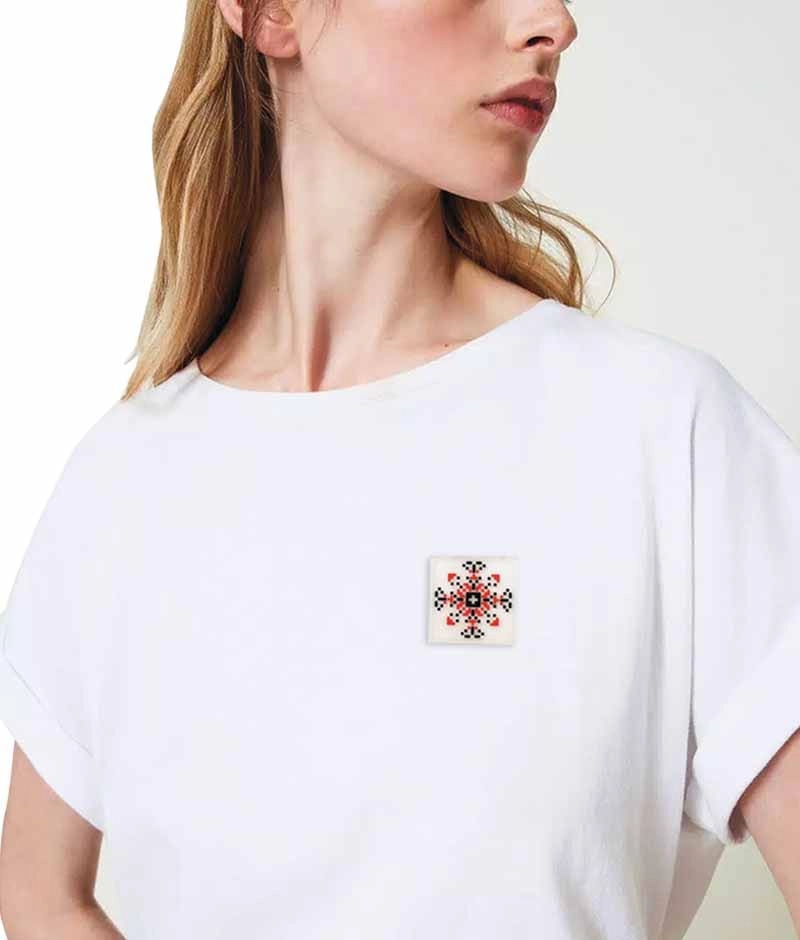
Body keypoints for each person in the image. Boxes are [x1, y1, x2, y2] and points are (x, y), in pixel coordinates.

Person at [0, 0, 799, 937]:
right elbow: (38, 894)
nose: (554, 22)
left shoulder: (662, 432)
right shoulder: (123, 482)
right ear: (274, 14)